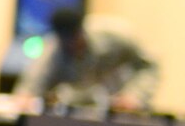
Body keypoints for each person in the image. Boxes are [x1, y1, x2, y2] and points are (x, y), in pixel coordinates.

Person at [19, 6, 160, 109]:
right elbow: (32, 84)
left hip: (122, 104)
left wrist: (135, 95)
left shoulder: (115, 34)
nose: (72, 45)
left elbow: (149, 65)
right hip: (80, 104)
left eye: (74, 38)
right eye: (66, 41)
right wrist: (25, 99)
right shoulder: (53, 50)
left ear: (81, 30)